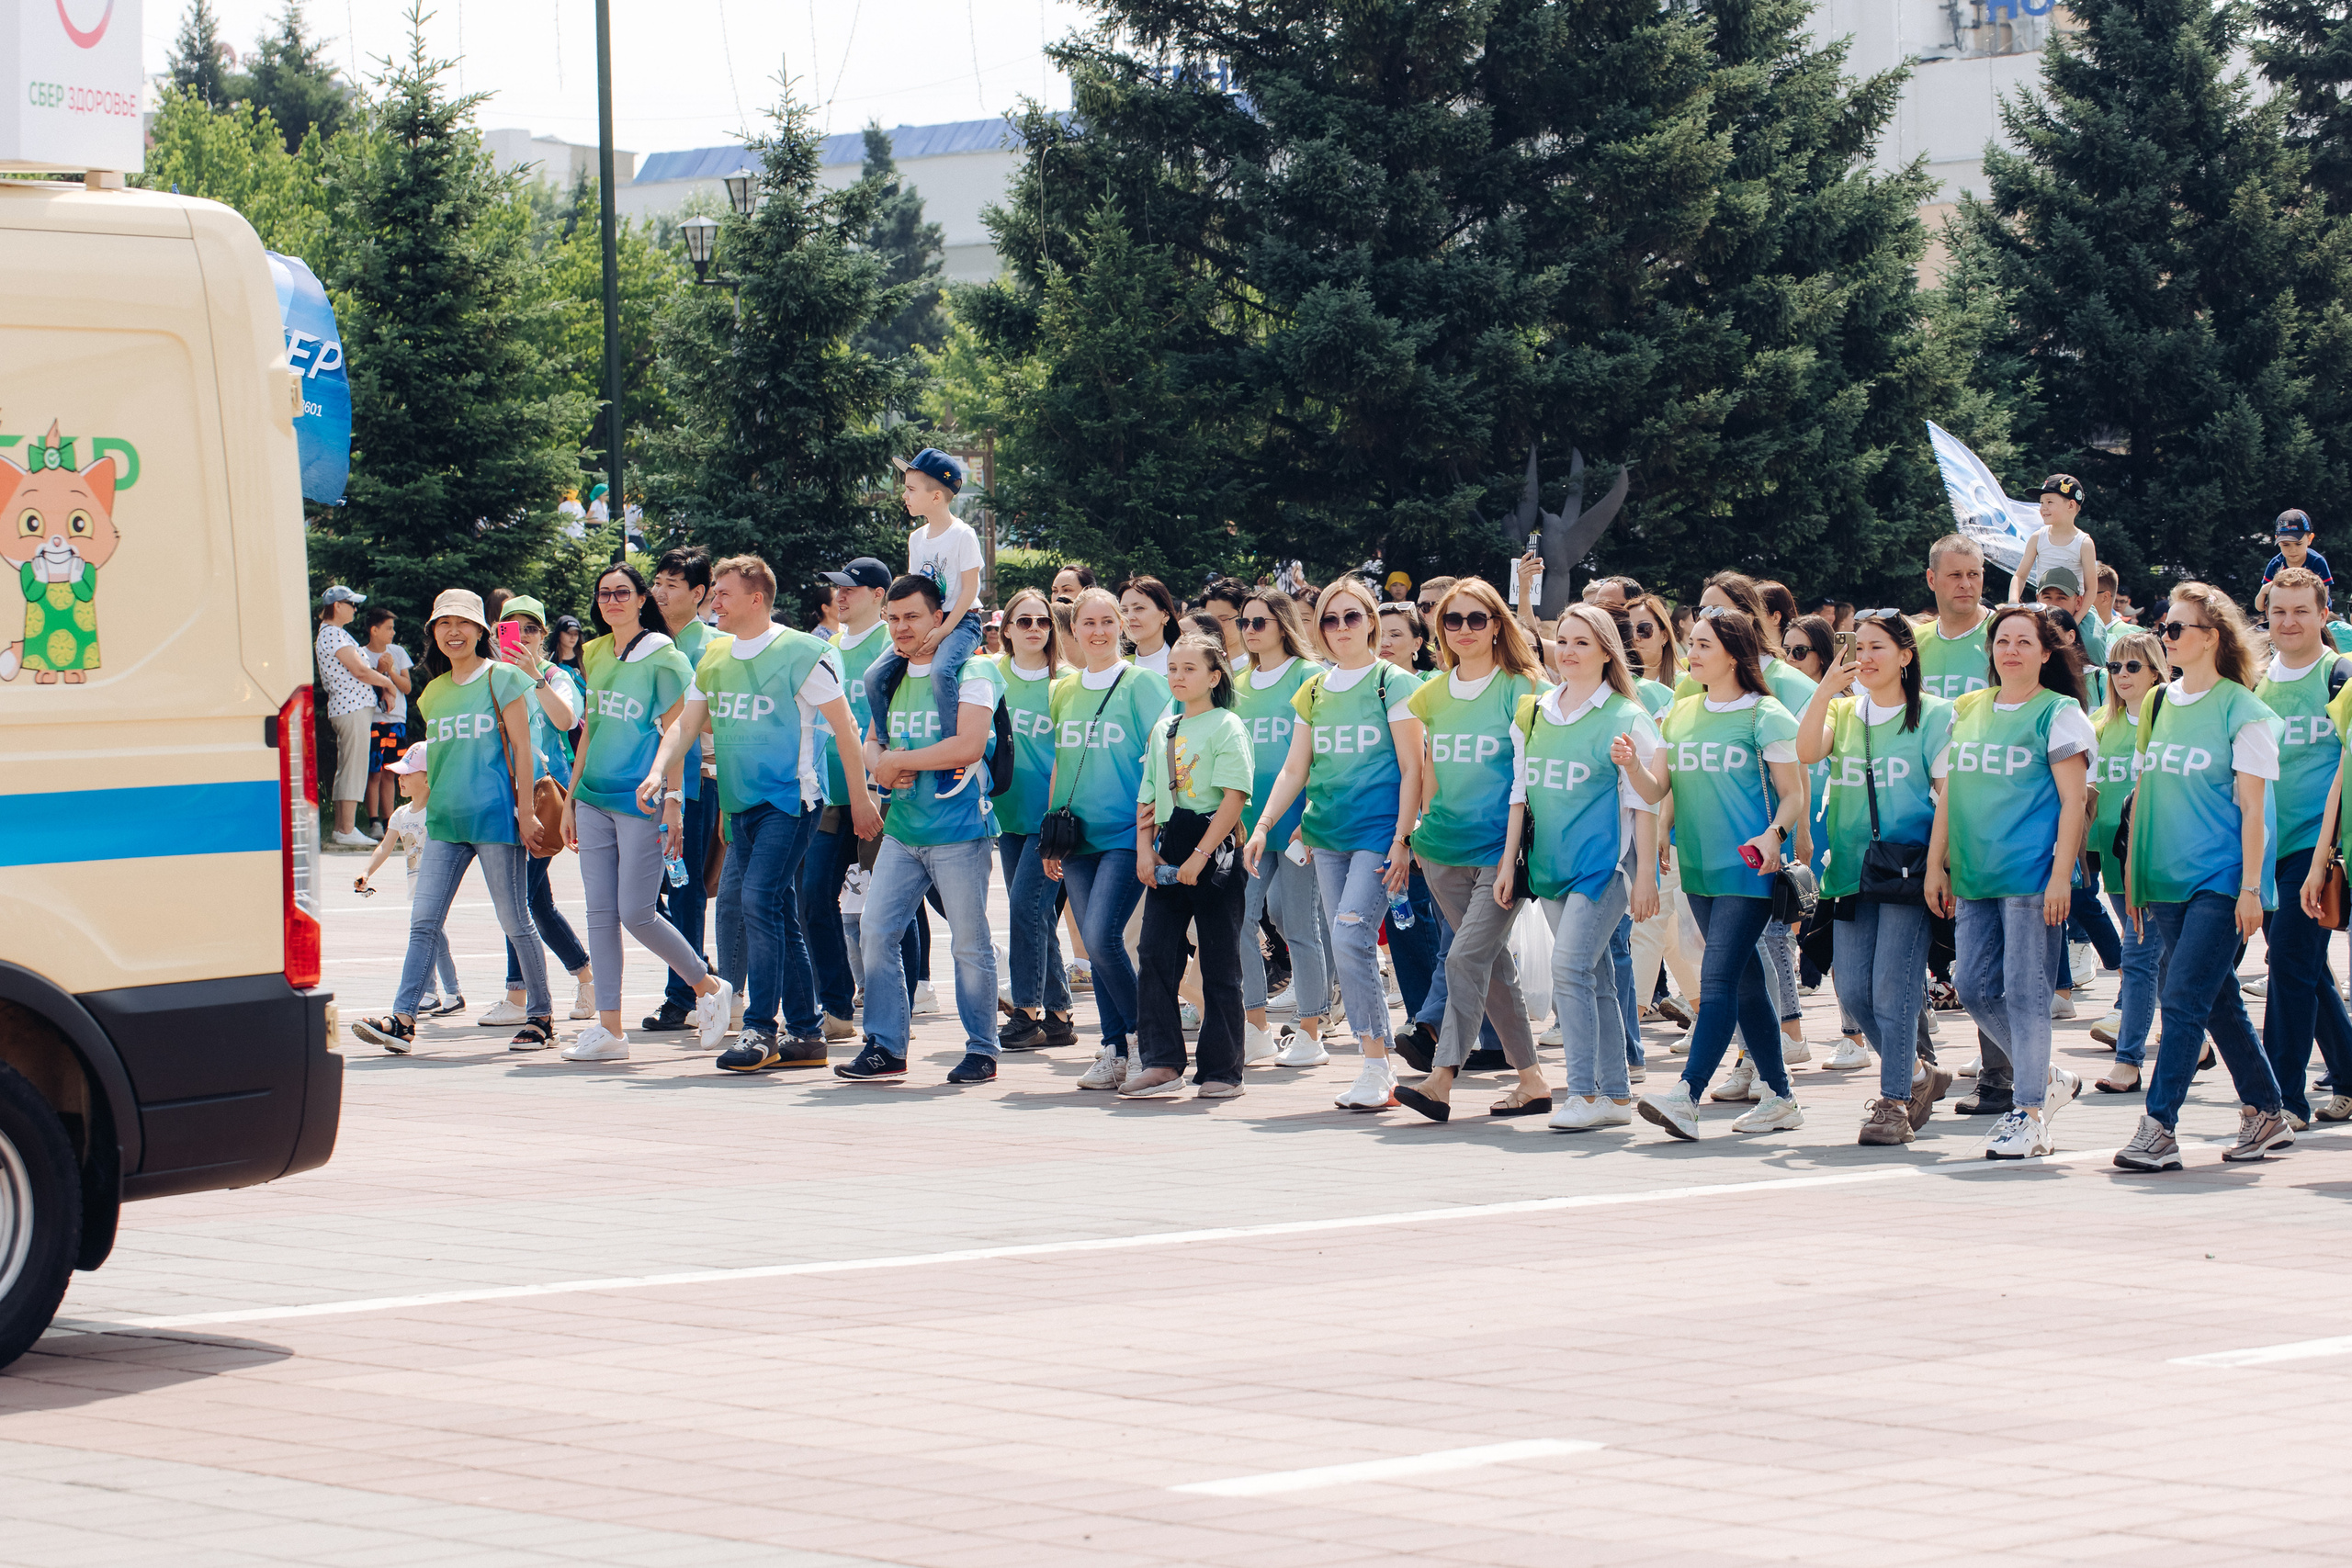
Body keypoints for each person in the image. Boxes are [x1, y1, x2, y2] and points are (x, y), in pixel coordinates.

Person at [643, 556, 870, 1071]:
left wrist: (860, 799)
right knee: (777, 911)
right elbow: (685, 725)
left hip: (791, 802)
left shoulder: (804, 653)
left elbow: (847, 729)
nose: (713, 601)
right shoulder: (715, 656)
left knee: (756, 898)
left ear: (755, 599)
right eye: (713, 593)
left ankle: (761, 1028)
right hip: (739, 804)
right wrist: (661, 771)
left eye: (722, 593)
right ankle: (809, 1034)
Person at [2119, 584, 2293, 1168]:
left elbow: (2254, 812)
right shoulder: (2159, 704)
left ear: (2210, 638)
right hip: (2164, 879)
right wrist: (2135, 877)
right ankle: (2267, 1112)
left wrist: (2250, 889)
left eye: (2176, 629)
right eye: (2165, 628)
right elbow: (2144, 795)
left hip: (2222, 882)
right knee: (2216, 999)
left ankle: (2159, 1125)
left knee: (2183, 997)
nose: (2165, 638)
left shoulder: (2244, 712)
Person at [1244, 575, 1428, 1111]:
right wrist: (1264, 825)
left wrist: (1403, 839)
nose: (1341, 627)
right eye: (1329, 618)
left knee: (1349, 936)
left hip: (1379, 833)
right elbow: (1295, 767)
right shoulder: (1315, 690)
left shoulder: (1392, 683)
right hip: (1326, 835)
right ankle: (1374, 1064)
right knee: (1347, 941)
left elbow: (1413, 768)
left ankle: (1377, 1064)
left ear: (1371, 620)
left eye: (1352, 616)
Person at [1627, 607, 1809, 1140]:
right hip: (1699, 868)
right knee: (1747, 983)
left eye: (1703, 644)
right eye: (1692, 644)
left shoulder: (1766, 715)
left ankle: (1686, 1094)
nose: (1692, 652)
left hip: (1749, 870)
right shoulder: (1680, 714)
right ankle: (1781, 1097)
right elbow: (1659, 789)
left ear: (1733, 653)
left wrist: (1773, 835)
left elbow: (1793, 794)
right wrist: (1633, 770)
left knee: (1718, 978)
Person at [350, 589, 558, 1055]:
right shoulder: (433, 693)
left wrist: (525, 812)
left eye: (463, 623)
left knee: (515, 920)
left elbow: (524, 749)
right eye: (443, 624)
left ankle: (541, 1016)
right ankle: (402, 1019)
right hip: (445, 821)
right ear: (433, 633)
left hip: (495, 820)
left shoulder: (503, 678)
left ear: (482, 630)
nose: (453, 632)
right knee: (424, 921)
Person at [1927, 605, 2091, 1157]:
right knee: (1971, 987)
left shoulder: (2059, 713)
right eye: (2002, 641)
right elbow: (1950, 792)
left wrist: (2061, 876)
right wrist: (1936, 863)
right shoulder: (1967, 709)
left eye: (2025, 641)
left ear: (2046, 652)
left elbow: (2074, 803)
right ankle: (2045, 1074)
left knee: (2026, 994)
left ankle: (2031, 1115)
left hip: (2030, 877)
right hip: (1975, 875)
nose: (2011, 650)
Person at [1491, 604, 1660, 1131]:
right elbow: (1520, 792)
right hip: (1549, 866)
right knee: (1597, 978)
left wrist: (1647, 876)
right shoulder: (1535, 711)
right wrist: (1507, 862)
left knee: (1570, 969)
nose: (1567, 650)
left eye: (1582, 642)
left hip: (1603, 869)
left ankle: (1583, 1093)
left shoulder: (1628, 717)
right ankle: (1615, 1094)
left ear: (1608, 651)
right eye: (1562, 640)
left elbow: (1649, 800)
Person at [557, 564, 734, 1063]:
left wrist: (673, 803)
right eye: (604, 593)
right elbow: (588, 731)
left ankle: (707, 987)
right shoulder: (593, 652)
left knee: (636, 913)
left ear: (641, 601)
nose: (612, 600)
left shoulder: (664, 655)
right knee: (599, 912)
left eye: (623, 592)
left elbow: (678, 733)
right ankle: (610, 1030)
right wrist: (570, 799)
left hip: (641, 801)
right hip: (593, 797)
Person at [1795, 611, 1957, 1145]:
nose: (1864, 657)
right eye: (1858, 646)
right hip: (1848, 868)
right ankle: (1916, 1073)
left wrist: (1939, 868)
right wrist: (1825, 689)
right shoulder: (1844, 713)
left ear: (1906, 657)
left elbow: (1948, 799)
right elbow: (1805, 751)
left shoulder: (1935, 716)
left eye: (1877, 648)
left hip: (1908, 871)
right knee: (1856, 993)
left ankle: (1892, 1104)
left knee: (1894, 990)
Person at [1392, 580, 1551, 1122]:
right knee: (1488, 964)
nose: (1463, 629)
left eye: (1476, 619)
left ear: (1498, 623)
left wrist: (1510, 860)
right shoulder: (1429, 694)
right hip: (1440, 850)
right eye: (1453, 620)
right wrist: (1408, 838)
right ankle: (1531, 1080)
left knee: (1463, 958)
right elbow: (1425, 770)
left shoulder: (1522, 686)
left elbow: (1528, 781)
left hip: (1500, 854)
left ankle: (1440, 1077)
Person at [840, 572, 1007, 1084]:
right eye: (893, 618)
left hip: (959, 833)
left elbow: (969, 745)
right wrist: (881, 763)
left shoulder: (973, 671)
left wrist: (895, 761)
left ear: (940, 617)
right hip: (903, 832)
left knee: (968, 943)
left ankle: (983, 1047)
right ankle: (886, 1045)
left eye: (913, 616)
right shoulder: (889, 676)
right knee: (875, 931)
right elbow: (871, 742)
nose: (901, 628)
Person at [1046, 588, 1172, 1088]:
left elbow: (1162, 760)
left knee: (1101, 938)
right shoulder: (1063, 690)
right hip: (1077, 838)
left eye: (1107, 621)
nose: (1097, 632)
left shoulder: (1143, 684)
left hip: (1127, 832)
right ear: (1073, 630)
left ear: (1121, 626)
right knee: (1097, 952)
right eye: (1087, 623)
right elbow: (1062, 762)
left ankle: (1151, 1041)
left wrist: (1151, 835)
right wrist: (1049, 836)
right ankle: (1114, 1049)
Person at [1123, 636, 1256, 1099]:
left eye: (1189, 669)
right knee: (1155, 953)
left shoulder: (1227, 725)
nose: (1177, 676)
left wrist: (1199, 856)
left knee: (1220, 961)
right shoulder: (1166, 728)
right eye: (1172, 668)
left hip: (1215, 847)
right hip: (1168, 843)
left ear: (1214, 677)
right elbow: (1147, 796)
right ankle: (1162, 1062)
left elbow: (1234, 797)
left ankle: (1224, 1070)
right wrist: (1145, 849)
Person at [2257, 569, 2352, 1125]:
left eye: (2300, 611)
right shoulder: (2255, 682)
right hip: (2266, 850)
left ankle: (2282, 1098)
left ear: (2323, 615)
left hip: (2319, 851)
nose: (2289, 622)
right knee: (2305, 969)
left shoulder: (2339, 676)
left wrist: (2327, 855)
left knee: (2290, 963)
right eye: (2278, 612)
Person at [482, 596, 594, 1027]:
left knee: (519, 897)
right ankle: (586, 977)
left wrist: (533, 674)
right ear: (497, 633)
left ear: (544, 635)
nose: (523, 636)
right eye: (512, 628)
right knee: (536, 902)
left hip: (545, 798)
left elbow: (567, 720)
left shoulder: (554, 674)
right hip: (502, 796)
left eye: (531, 628)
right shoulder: (489, 676)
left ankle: (517, 992)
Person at [1232, 591, 1333, 1064]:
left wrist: (1311, 814)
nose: (1250, 630)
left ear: (1283, 625)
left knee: (1299, 927)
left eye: (1261, 622)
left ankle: (1312, 1030)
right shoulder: (1235, 682)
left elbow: (1322, 754)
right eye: (1245, 622)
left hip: (1298, 827)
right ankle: (1257, 1026)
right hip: (1250, 824)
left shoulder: (1311, 676)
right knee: (1239, 921)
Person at [800, 556, 898, 1042]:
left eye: (851, 589)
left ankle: (902, 999)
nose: (839, 596)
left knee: (889, 907)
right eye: (836, 588)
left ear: (879, 596)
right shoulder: (826, 647)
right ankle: (836, 1008)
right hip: (830, 797)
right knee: (815, 898)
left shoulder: (893, 646)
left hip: (883, 798)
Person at [865, 448, 985, 799]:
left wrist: (945, 630)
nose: (904, 495)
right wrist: (904, 624)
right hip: (924, 622)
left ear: (936, 495)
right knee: (874, 676)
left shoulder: (963, 534)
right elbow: (917, 587)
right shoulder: (916, 539)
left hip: (962, 622)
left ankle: (951, 754)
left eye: (911, 489)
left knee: (940, 671)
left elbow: (971, 588)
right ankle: (886, 749)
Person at [993, 586, 1079, 1053]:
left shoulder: (1066, 682)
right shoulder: (989, 675)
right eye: (1023, 621)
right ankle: (1061, 1016)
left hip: (1052, 822)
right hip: (1006, 814)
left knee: (1026, 908)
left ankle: (1025, 1014)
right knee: (1036, 914)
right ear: (1006, 629)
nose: (1034, 629)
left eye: (1042, 621)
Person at [642, 547, 722, 1034]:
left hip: (692, 784)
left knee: (685, 885)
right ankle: (697, 971)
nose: (661, 591)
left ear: (699, 594)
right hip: (647, 784)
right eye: (657, 582)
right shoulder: (648, 643)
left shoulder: (711, 645)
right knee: (653, 891)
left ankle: (685, 994)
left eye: (673, 584)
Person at [2086, 629, 2165, 1089]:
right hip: (2115, 863)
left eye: (2133, 666)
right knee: (2166, 961)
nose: (2122, 676)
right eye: (2114, 667)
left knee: (2138, 958)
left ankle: (2129, 1060)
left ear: (2157, 669)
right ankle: (2194, 1045)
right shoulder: (2101, 723)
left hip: (2156, 862)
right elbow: (2087, 796)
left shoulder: (2170, 716)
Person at [1625, 594, 1699, 1024]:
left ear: (1666, 633)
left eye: (1645, 629)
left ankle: (1628, 1038)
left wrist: (1662, 828)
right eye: (1627, 631)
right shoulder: (1614, 692)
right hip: (1637, 823)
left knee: (1650, 924)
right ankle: (1706, 1013)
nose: (1635, 639)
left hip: (1674, 824)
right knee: (1667, 932)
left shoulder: (1682, 688)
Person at [353, 742, 462, 1017]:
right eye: (400, 774)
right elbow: (384, 847)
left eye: (407, 774)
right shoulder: (401, 815)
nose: (400, 779)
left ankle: (451, 993)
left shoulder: (439, 809)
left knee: (432, 936)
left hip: (436, 885)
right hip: (417, 886)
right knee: (431, 937)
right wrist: (366, 871)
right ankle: (434, 993)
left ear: (428, 778)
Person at [316, 584, 401, 848]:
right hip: (350, 708)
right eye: (351, 604)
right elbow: (359, 670)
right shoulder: (333, 634)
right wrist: (388, 685)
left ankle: (344, 827)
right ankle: (346, 828)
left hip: (349, 708)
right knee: (354, 768)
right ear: (337, 606)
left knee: (348, 767)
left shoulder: (334, 634)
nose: (355, 609)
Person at [1917, 535, 1995, 700]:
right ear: (1931, 579)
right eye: (1956, 575)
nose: (1966, 584)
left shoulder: (2005, 635)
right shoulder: (1914, 642)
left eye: (1973, 574)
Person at [360, 607, 413, 837]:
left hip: (396, 721)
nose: (393, 632)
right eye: (388, 628)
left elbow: (406, 687)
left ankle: (391, 822)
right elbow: (365, 686)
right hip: (373, 721)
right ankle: (374, 823)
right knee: (375, 772)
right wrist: (379, 670)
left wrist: (390, 670)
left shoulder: (398, 652)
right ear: (374, 630)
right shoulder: (360, 654)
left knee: (391, 772)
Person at [2008, 473, 2098, 605]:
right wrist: (2013, 602)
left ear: (2071, 505)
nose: (2043, 508)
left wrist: (2076, 621)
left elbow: (2091, 589)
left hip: (2075, 611)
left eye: (2050, 502)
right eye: (2042, 503)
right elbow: (2019, 576)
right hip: (2044, 609)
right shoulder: (2038, 538)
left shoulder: (2083, 543)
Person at [2256, 509, 2330, 614]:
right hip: (2284, 616)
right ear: (2277, 540)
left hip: (2316, 616)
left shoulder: (2317, 562)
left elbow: (2324, 600)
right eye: (2286, 545)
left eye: (2298, 544)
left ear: (2310, 539)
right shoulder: (2275, 564)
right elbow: (2260, 607)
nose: (2292, 550)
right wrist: (2264, 590)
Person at [1119, 575, 1181, 676]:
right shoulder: (1118, 669)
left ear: (1165, 615)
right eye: (1124, 610)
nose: (1129, 617)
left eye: (1139, 608)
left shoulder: (1186, 665)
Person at [1202, 577, 1252, 662]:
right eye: (1209, 619)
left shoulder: (1258, 666)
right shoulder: (1199, 663)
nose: (1215, 625)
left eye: (1223, 619)